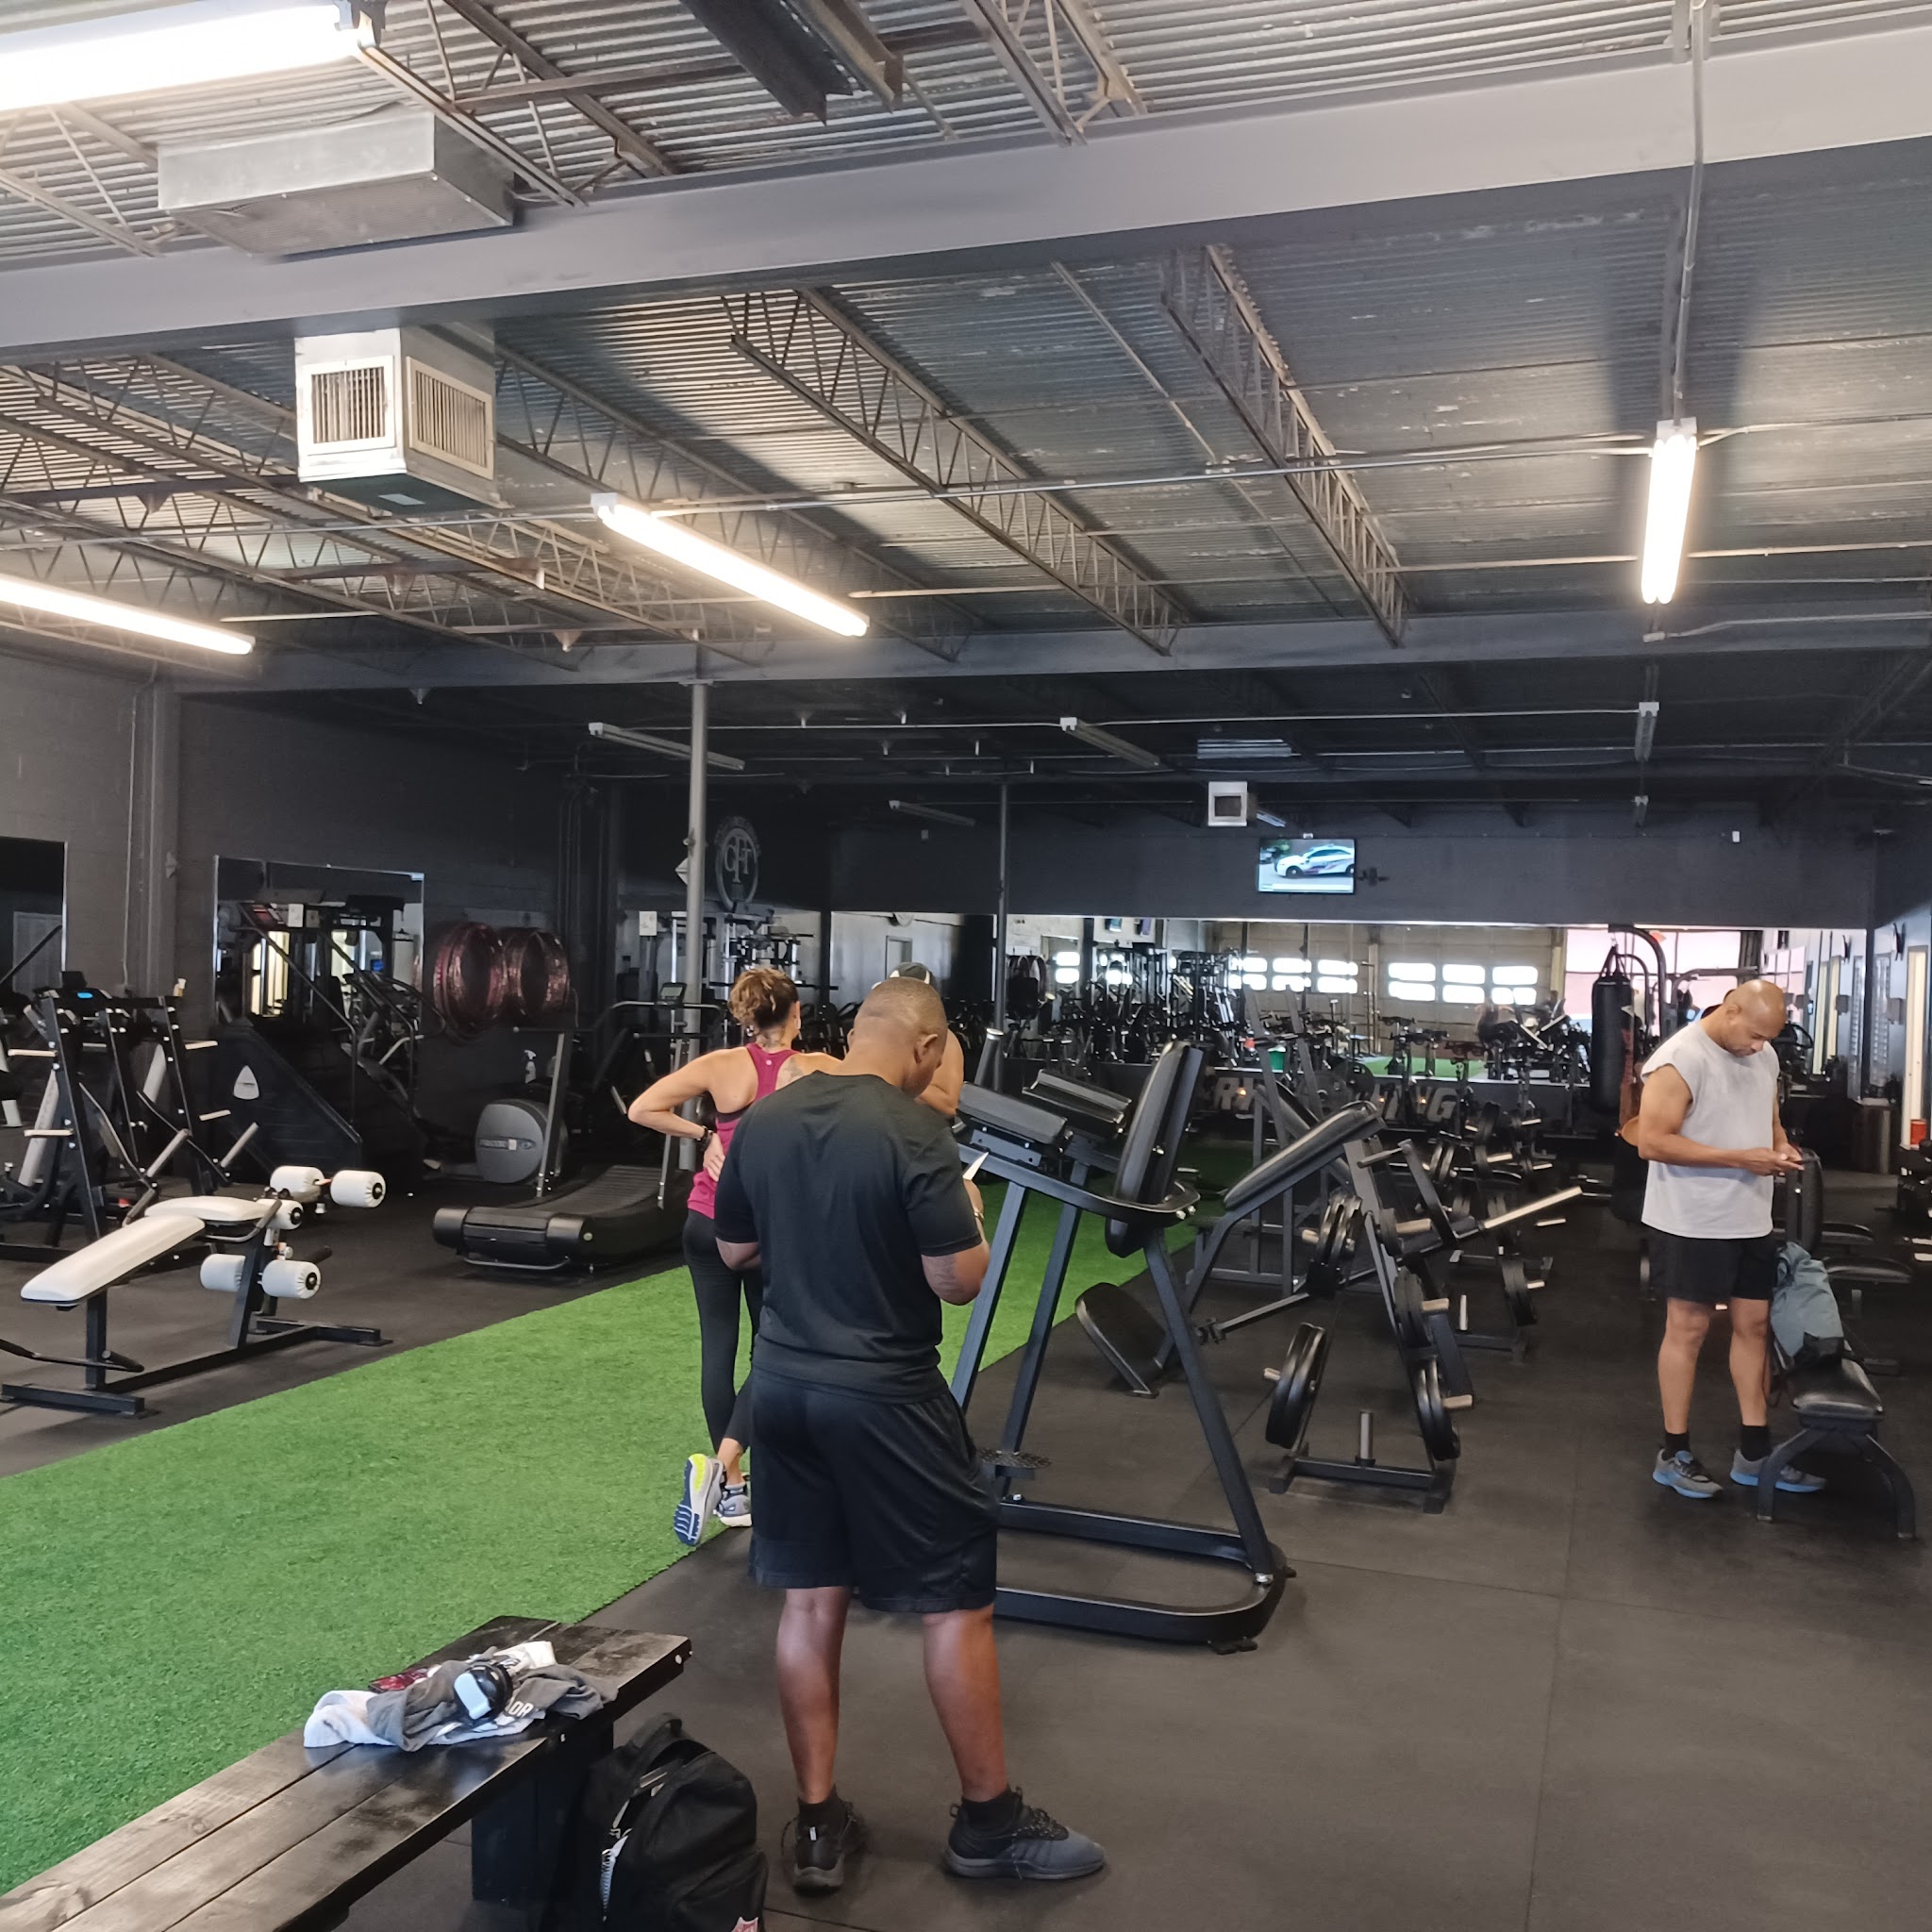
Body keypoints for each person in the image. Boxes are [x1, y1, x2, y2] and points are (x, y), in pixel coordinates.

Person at [711, 976, 1104, 1892]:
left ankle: (816, 1824)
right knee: (955, 1602)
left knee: (811, 1602)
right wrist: (964, 1214)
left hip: (781, 1392)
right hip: (882, 1395)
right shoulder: (915, 1132)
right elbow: (958, 1281)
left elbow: (734, 1249)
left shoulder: (766, 1117)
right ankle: (988, 1826)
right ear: (926, 1049)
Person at [628, 966, 835, 1545]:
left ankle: (733, 1486)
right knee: (771, 1350)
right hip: (768, 1232)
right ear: (795, 1014)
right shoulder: (817, 1068)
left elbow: (642, 1109)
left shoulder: (719, 1066)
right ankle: (734, 1465)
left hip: (706, 1220)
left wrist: (705, 1137)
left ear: (746, 1017)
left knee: (716, 1350)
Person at [1633, 978, 1822, 1501]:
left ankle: (1755, 1454)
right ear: (1730, 1010)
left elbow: (1770, 1119)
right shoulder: (1679, 1060)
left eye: (1768, 1039)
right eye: (1755, 1035)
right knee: (1689, 1329)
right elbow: (1652, 1142)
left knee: (1754, 1327)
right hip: (1691, 1219)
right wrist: (1741, 1159)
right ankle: (1673, 1452)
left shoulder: (1764, 1055)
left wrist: (1780, 1147)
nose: (1760, 1047)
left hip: (1750, 1218)